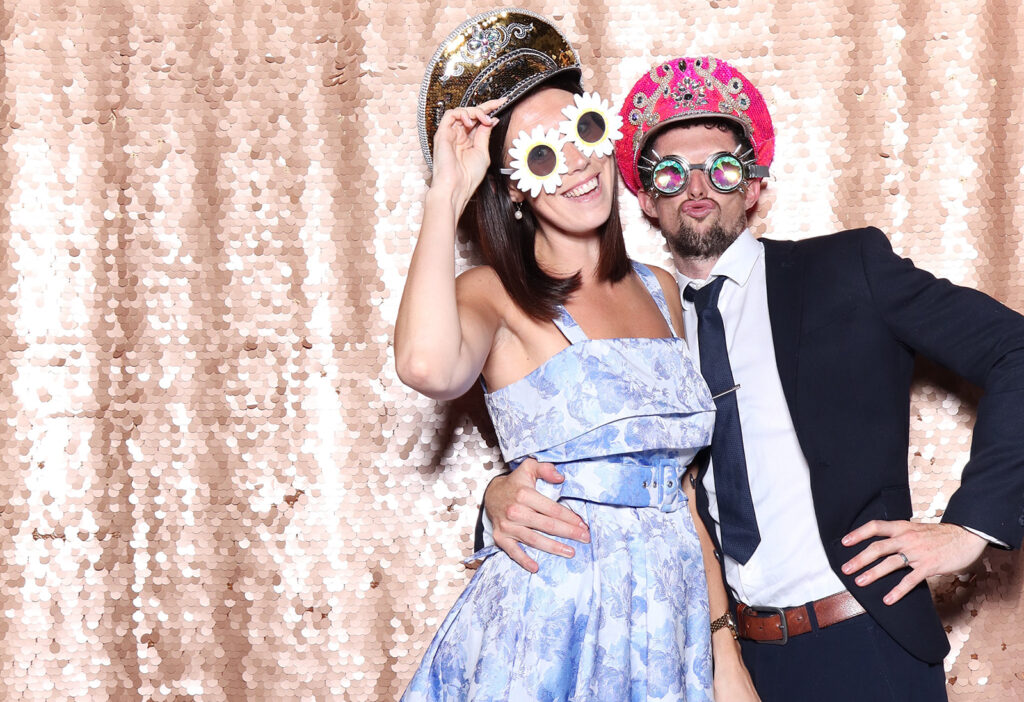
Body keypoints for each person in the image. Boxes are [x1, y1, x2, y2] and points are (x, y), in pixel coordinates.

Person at [483, 56, 1024, 702]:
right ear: (646, 200)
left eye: (723, 166)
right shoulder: (635, 331)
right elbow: (599, 468)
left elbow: (1014, 349)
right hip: (727, 668)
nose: (699, 186)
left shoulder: (847, 271)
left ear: (755, 186)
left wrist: (970, 529)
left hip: (869, 649)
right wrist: (497, 496)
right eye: (671, 172)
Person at [398, 15, 759, 701]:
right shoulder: (492, 294)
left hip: (668, 625)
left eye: (584, 131)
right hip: (554, 621)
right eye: (541, 154)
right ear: (511, 186)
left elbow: (679, 492)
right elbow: (426, 366)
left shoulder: (661, 290)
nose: (576, 164)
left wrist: (725, 654)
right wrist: (445, 197)